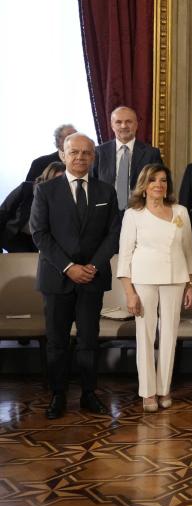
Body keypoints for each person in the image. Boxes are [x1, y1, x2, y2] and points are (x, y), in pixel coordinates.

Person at [30, 133, 120, 419]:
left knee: (88, 341)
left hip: (93, 277)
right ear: (62, 155)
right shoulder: (45, 191)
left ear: (94, 157)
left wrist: (92, 266)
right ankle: (57, 395)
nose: (80, 157)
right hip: (57, 278)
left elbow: (113, 234)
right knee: (57, 342)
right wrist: (69, 267)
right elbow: (40, 234)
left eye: (86, 153)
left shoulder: (106, 191)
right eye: (74, 152)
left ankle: (88, 394)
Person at [117, 164, 192, 412]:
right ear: (144, 185)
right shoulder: (133, 214)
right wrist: (129, 292)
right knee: (146, 335)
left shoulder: (180, 211)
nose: (159, 185)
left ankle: (164, 389)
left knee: (170, 335)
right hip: (144, 279)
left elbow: (187, 249)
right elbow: (125, 255)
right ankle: (148, 392)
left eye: (163, 180)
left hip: (176, 278)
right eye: (153, 180)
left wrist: (190, 283)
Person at [93, 106, 163, 211]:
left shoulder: (151, 153)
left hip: (140, 210)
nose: (123, 126)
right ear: (112, 125)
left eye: (128, 122)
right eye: (118, 122)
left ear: (136, 125)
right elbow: (92, 185)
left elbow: (158, 184)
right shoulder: (98, 152)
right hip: (105, 213)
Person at [1, 162, 65, 252]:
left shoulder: (64, 199)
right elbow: (3, 212)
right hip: (16, 235)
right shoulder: (25, 188)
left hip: (40, 239)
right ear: (47, 177)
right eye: (55, 180)